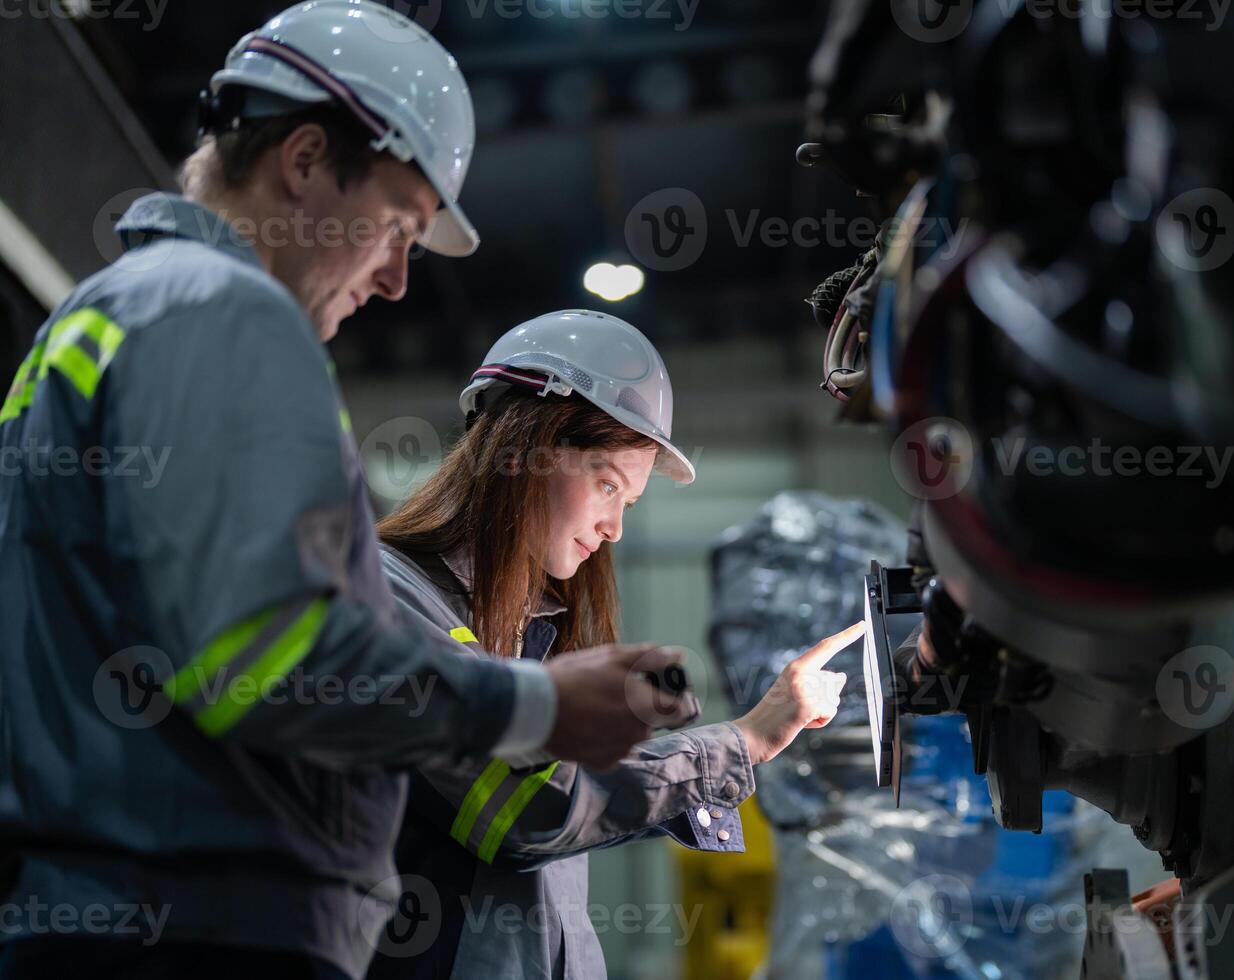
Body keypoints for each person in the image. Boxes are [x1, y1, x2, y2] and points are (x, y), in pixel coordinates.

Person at [0, 6, 675, 979]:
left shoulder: (97, 320)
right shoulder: (222, 310)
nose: (400, 277)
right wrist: (533, 703)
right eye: (399, 221)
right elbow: (268, 646)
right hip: (203, 929)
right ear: (306, 159)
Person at [366, 309, 862, 979]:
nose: (615, 529)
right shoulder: (387, 597)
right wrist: (743, 742)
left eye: (625, 499)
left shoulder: (528, 635)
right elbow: (529, 810)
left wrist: (713, 759)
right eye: (607, 485)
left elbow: (580, 797)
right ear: (520, 448)